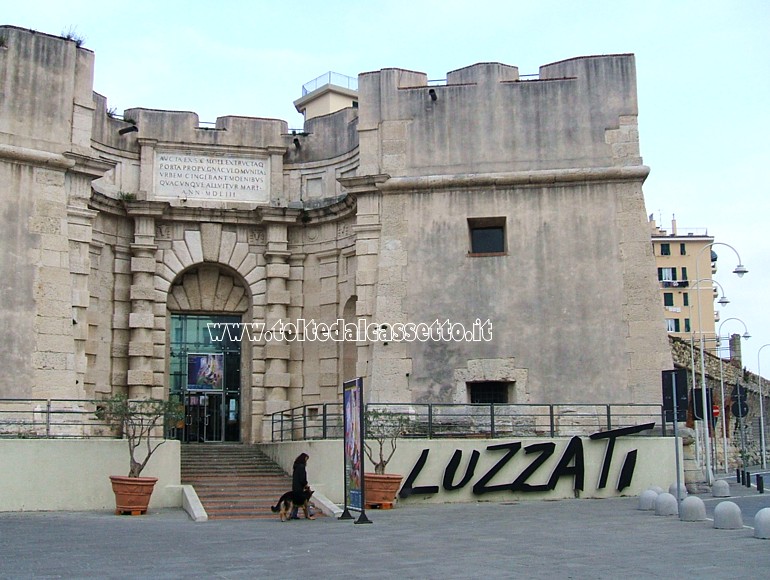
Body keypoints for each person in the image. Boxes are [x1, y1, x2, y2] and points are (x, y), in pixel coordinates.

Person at [290, 452, 310, 520]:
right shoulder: (301, 467)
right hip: (300, 487)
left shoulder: (296, 466)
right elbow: (302, 478)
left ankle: (293, 514)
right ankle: (309, 513)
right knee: (304, 500)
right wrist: (305, 484)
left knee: (296, 501)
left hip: (295, 486)